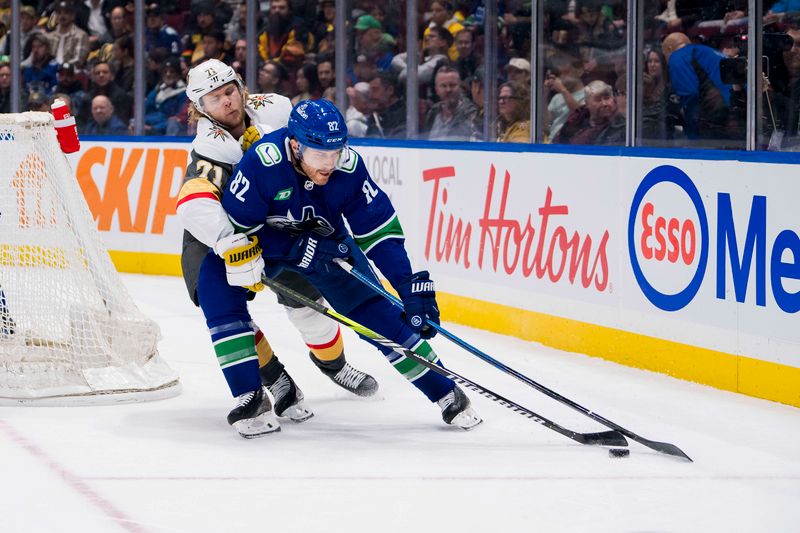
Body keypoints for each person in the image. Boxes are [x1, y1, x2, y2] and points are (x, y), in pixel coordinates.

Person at [217, 99, 483, 433]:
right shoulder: (264, 162)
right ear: (295, 145)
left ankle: (445, 391)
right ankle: (259, 388)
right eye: (319, 155)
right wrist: (290, 247)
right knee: (220, 296)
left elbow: (379, 231)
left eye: (335, 152)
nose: (329, 164)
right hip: (266, 253)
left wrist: (406, 284)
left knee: (382, 318)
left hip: (327, 250)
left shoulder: (348, 166)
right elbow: (237, 228)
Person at [175, 59, 378, 438]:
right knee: (221, 305)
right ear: (200, 108)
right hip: (219, 230)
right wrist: (230, 243)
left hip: (278, 221)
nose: (228, 102)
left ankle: (333, 365)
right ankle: (277, 379)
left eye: (230, 91)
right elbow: (195, 202)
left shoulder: (278, 108)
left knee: (307, 302)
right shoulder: (209, 147)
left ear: (241, 87)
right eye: (215, 98)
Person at [553, 79, 625, 145]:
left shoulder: (621, 124)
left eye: (607, 98)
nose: (604, 104)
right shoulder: (576, 119)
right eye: (598, 100)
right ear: (587, 104)